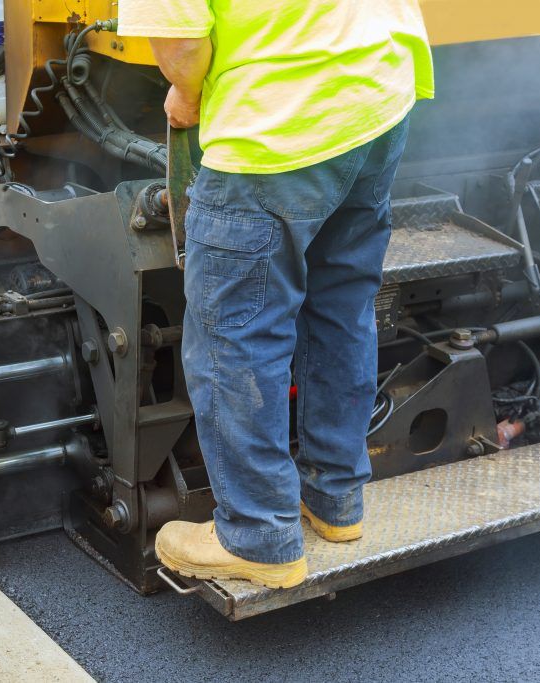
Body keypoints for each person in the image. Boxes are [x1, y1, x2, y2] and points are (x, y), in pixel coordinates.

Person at [117, 2, 434, 589]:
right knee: (341, 306)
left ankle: (258, 534)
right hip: (377, 96)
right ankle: (335, 499)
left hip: (280, 122)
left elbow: (181, 45)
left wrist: (186, 96)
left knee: (235, 334)